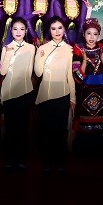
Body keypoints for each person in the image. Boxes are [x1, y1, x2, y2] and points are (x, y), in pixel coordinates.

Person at [34, 17, 75, 171]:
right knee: (46, 130)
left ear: (64, 29)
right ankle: (47, 162)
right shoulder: (44, 48)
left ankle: (60, 162)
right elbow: (38, 73)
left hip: (63, 94)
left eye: (60, 28)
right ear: (49, 31)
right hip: (45, 94)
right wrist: (39, 55)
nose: (57, 31)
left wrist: (73, 98)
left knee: (61, 130)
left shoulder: (70, 50)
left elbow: (70, 76)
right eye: (53, 28)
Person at [0, 17, 35, 168]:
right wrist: (8, 54)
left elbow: (30, 71)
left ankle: (21, 160)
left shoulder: (31, 48)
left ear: (26, 31)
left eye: (21, 29)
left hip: (25, 91)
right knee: (10, 128)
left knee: (22, 127)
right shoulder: (6, 47)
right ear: (11, 30)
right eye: (15, 29)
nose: (18, 32)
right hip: (9, 92)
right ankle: (10, 160)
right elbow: (2, 71)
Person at [71, 18, 103, 132]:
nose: (91, 37)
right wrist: (84, 61)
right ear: (83, 34)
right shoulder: (78, 50)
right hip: (85, 91)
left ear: (98, 35)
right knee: (85, 130)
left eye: (95, 34)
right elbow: (77, 78)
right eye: (88, 33)